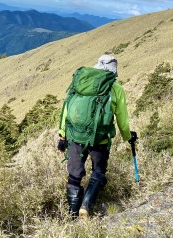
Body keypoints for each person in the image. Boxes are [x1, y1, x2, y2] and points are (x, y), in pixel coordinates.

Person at [57, 54, 134, 219]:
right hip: (100, 138)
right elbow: (122, 118)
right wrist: (128, 136)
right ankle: (86, 205)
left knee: (74, 175)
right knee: (98, 171)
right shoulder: (115, 88)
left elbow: (66, 109)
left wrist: (62, 135)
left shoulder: (80, 83)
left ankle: (72, 216)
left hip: (75, 136)